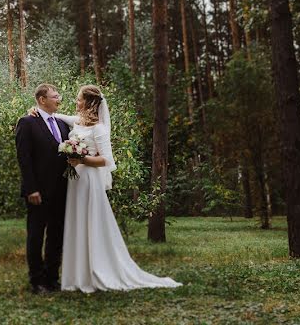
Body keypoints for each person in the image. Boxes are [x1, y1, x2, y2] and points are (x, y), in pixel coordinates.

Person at [41, 84, 182, 293]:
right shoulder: (78, 122)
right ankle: (77, 274)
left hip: (88, 181)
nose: (76, 102)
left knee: (90, 223)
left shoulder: (99, 129)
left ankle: (96, 270)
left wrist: (82, 159)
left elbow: (107, 160)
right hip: (75, 182)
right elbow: (57, 117)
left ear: (88, 103)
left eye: (79, 99)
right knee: (76, 223)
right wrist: (36, 111)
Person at [15, 83, 70, 294]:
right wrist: (31, 189)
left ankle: (51, 278)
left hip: (62, 191)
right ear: (42, 99)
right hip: (38, 192)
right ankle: (36, 280)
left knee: (56, 235)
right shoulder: (27, 122)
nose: (59, 99)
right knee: (36, 235)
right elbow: (24, 158)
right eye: (55, 96)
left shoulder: (63, 125)